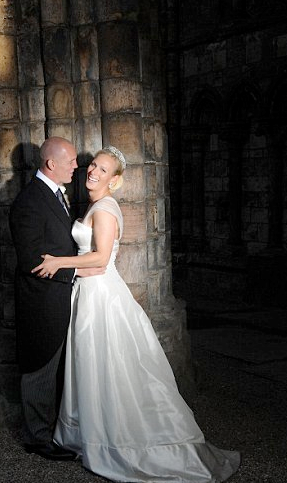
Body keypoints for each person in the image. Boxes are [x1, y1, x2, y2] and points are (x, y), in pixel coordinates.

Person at [31, 146, 240, 482]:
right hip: (87, 291)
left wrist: (58, 262)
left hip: (101, 297)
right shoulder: (94, 205)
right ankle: (89, 433)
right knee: (92, 365)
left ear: (114, 180)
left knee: (107, 364)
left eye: (103, 170)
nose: (93, 171)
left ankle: (117, 440)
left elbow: (101, 259)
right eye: (93, 165)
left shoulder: (105, 209)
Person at [8, 137, 104, 461]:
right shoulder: (29, 201)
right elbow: (31, 260)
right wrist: (76, 271)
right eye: (71, 161)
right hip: (41, 303)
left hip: (61, 298)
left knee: (58, 369)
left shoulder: (57, 195)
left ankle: (55, 431)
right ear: (51, 164)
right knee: (40, 367)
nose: (77, 166)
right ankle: (37, 439)